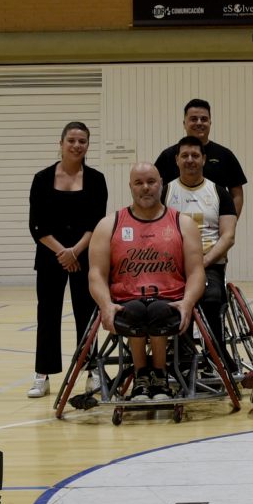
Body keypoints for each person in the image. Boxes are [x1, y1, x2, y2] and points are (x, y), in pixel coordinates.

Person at [88, 163, 205, 401]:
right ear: (130, 186)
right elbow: (96, 274)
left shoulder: (183, 223)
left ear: (161, 184)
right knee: (136, 311)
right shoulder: (109, 224)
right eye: (139, 183)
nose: (146, 188)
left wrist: (188, 302)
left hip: (170, 301)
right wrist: (105, 304)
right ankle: (142, 376)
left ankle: (160, 375)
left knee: (158, 310)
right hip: (126, 301)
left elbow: (196, 273)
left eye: (151, 182)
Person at [27, 122, 108, 398]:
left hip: (84, 256)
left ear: (87, 145)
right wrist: (63, 252)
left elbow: (97, 222)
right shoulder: (41, 178)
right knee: (47, 314)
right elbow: (36, 225)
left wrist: (76, 251)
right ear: (61, 143)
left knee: (87, 314)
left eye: (82, 141)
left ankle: (91, 370)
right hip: (51, 257)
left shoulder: (97, 179)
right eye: (71, 140)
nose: (76, 145)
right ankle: (42, 373)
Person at [164, 135, 237, 370]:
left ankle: (215, 353)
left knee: (212, 297)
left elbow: (228, 237)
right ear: (176, 160)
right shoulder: (165, 192)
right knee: (167, 300)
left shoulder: (219, 193)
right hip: (175, 266)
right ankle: (182, 354)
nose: (190, 160)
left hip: (209, 263)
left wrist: (203, 262)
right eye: (184, 155)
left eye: (195, 155)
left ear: (204, 159)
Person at [154, 98, 248, 216]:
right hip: (175, 229)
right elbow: (154, 190)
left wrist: (230, 223)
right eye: (193, 119)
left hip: (214, 229)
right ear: (184, 123)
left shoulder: (225, 155)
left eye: (204, 119)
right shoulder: (167, 156)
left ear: (210, 123)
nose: (199, 123)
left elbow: (237, 194)